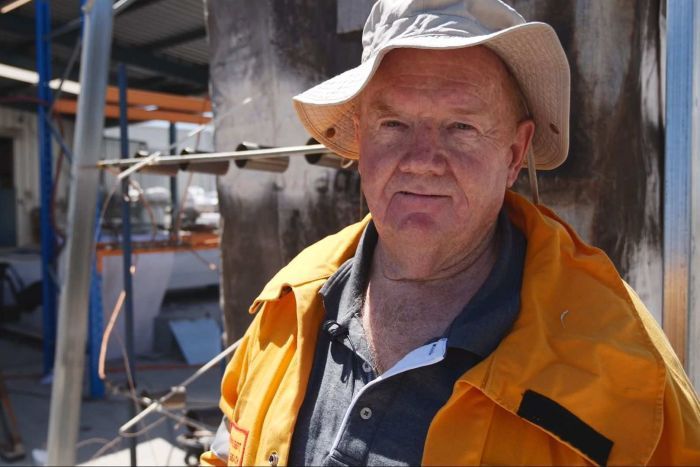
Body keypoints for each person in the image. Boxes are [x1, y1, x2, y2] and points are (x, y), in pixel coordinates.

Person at [201, 0, 700, 465]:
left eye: (461, 127)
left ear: (514, 153)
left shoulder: (628, 368)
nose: (421, 162)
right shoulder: (289, 304)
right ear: (359, 139)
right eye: (393, 123)